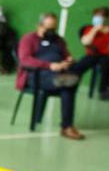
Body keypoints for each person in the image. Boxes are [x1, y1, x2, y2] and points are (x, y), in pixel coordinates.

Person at [18, 12, 86, 140]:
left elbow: (67, 56)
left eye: (54, 28)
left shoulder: (59, 41)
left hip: (59, 75)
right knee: (68, 85)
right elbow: (25, 60)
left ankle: (66, 127)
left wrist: (68, 61)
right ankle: (67, 127)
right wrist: (49, 65)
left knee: (67, 87)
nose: (51, 31)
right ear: (39, 26)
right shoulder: (28, 39)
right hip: (36, 77)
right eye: (48, 28)